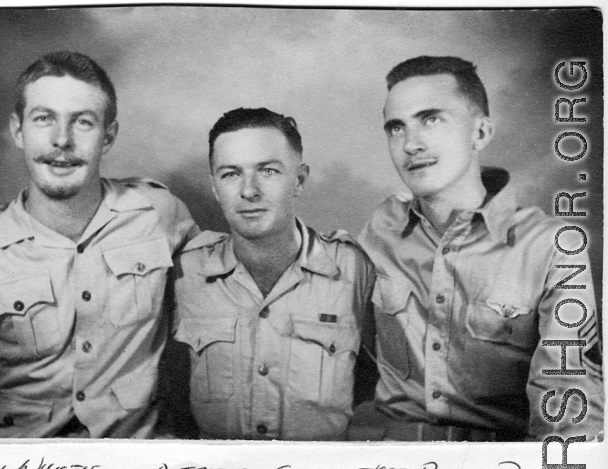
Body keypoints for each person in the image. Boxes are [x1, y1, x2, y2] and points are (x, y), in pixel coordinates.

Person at [0, 51, 197, 438]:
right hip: (20, 460)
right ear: (18, 130)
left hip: (133, 459)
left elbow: (219, 294)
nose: (62, 140)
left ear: (108, 136)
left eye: (83, 122)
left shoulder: (160, 212)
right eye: (44, 118)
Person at [349, 56, 603, 442]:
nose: (411, 144)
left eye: (431, 119)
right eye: (396, 128)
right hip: (387, 467)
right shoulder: (379, 231)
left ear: (480, 132)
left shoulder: (550, 247)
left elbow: (568, 404)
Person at [171, 108, 374, 440]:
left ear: (299, 180)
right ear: (215, 187)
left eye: (267, 171)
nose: (249, 190)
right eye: (231, 174)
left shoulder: (355, 269)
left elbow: (392, 388)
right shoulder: (185, 272)